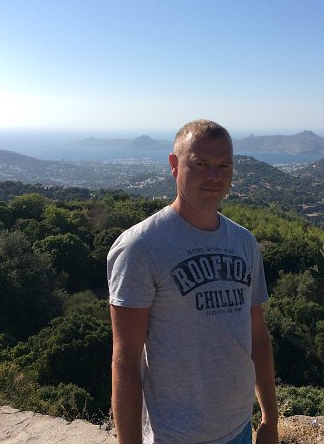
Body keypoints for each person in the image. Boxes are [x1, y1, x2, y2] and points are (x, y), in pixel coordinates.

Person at [108, 119, 278, 444]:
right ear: (174, 165)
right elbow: (125, 360)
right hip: (174, 436)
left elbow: (257, 335)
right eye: (201, 164)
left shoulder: (244, 243)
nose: (214, 176)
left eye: (223, 166)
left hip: (240, 427)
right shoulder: (140, 247)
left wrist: (269, 418)